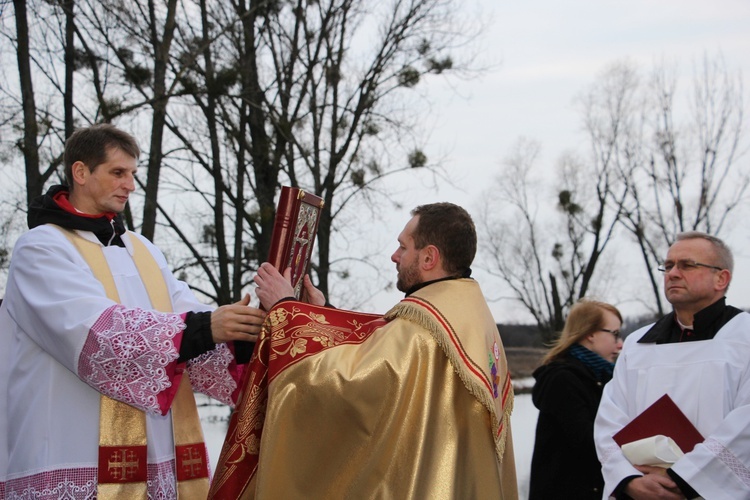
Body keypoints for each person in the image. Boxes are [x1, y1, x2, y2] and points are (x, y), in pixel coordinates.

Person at [0, 124, 265, 498]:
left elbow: (186, 314)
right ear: (80, 172)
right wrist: (206, 327)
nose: (130, 185)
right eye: (117, 173)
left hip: (156, 452)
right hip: (68, 448)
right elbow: (95, 333)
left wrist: (242, 331)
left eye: (133, 174)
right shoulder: (40, 249)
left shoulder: (141, 249)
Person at [209, 202, 518, 499]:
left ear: (428, 258)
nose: (394, 256)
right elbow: (377, 343)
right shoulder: (469, 316)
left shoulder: (422, 333)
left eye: (403, 247)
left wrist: (286, 311)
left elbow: (348, 385)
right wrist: (321, 313)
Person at [594, 231, 750, 499]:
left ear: (721, 278)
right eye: (668, 266)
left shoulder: (744, 338)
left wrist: (682, 479)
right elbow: (610, 420)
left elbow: (745, 424)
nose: (673, 273)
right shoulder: (637, 344)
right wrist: (628, 480)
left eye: (687, 265)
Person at [529, 299, 623, 499]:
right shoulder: (563, 379)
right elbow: (587, 442)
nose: (620, 343)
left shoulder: (605, 377)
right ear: (590, 334)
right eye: (614, 334)